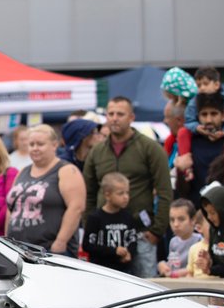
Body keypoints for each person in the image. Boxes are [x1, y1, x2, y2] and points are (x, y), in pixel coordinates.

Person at [81, 97, 172, 278]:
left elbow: (164, 191)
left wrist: (157, 231)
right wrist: (89, 225)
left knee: (146, 290)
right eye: (111, 114)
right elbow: (88, 193)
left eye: (120, 114)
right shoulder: (97, 151)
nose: (114, 118)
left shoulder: (149, 148)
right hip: (104, 237)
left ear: (131, 117)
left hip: (140, 233)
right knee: (104, 291)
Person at [6, 125, 85, 255]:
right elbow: (11, 209)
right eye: (31, 144)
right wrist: (7, 239)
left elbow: (76, 208)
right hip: (18, 250)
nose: (35, 148)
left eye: (40, 144)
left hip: (50, 251)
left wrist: (60, 241)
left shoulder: (67, 171)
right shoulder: (22, 172)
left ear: (54, 145)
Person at [83, 172, 137, 271]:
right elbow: (87, 245)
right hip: (101, 270)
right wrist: (114, 251)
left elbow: (132, 240)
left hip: (123, 270)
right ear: (107, 195)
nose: (126, 197)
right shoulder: (95, 218)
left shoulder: (128, 217)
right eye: (120, 193)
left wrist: (129, 253)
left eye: (127, 192)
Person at [189, 91, 224, 191]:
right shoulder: (190, 141)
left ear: (223, 115)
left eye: (214, 114)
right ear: (198, 116)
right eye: (204, 114)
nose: (209, 120)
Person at [184, 66, 224, 138]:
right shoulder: (194, 103)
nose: (202, 88)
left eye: (205, 84)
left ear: (216, 85)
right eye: (199, 85)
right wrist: (196, 127)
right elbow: (189, 120)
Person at [157, 199, 202, 278]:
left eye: (181, 219)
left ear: (193, 220)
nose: (176, 224)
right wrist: (163, 265)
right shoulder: (173, 241)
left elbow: (197, 269)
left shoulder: (199, 241)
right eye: (172, 220)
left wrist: (175, 274)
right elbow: (173, 264)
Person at [161, 98, 194, 198]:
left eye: (167, 117)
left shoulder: (194, 144)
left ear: (179, 120)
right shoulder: (170, 142)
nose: (164, 121)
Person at [186, 210, 211, 278]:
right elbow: (190, 273)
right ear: (199, 228)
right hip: (197, 286)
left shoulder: (221, 247)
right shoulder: (194, 248)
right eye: (210, 224)